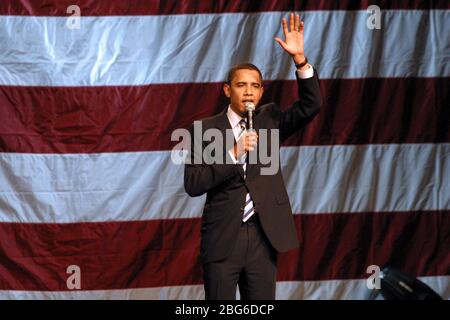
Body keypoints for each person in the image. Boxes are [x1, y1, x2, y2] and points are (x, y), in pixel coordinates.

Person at [184, 13, 322, 300]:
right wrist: (233, 154)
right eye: (241, 85)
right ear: (227, 90)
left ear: (261, 93)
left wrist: (300, 60)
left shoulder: (270, 119)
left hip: (264, 235)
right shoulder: (206, 129)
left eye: (255, 86)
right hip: (223, 238)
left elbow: (311, 106)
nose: (249, 91)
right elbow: (194, 184)